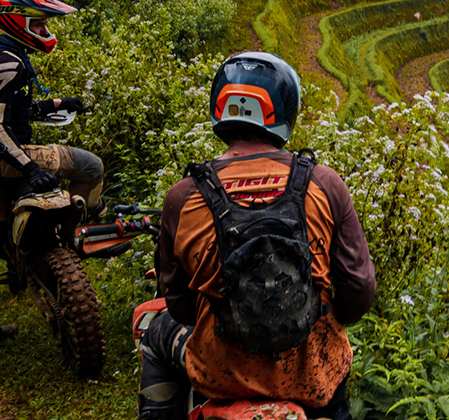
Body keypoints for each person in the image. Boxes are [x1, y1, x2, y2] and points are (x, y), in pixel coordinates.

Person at [137, 52, 376, 420]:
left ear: (220, 108)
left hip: (220, 374)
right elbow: (359, 293)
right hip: (314, 376)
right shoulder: (324, 184)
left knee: (156, 336)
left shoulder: (183, 197)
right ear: (286, 112)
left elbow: (180, 306)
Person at [0, 0, 105, 352]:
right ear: (18, 22)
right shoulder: (10, 64)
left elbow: (6, 111)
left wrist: (56, 104)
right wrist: (31, 167)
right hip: (2, 157)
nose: (44, 31)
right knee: (91, 166)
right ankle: (71, 238)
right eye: (38, 24)